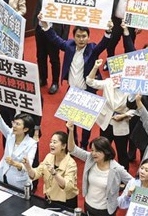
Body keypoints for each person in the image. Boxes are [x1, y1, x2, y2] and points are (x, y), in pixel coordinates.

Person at [40, 17, 113, 149]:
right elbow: (55, 39)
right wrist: (46, 26)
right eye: (78, 36)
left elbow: (103, 45)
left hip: (88, 91)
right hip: (72, 91)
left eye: (84, 36)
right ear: (74, 37)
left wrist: (108, 32)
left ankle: (84, 145)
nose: (81, 39)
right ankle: (71, 143)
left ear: (88, 37)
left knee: (86, 123)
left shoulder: (92, 49)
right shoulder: (69, 46)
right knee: (69, 122)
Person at [68, 127, 132, 216]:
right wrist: (71, 130)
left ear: (106, 152)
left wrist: (126, 195)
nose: (93, 154)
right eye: (92, 150)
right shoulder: (90, 159)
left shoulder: (116, 168)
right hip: (88, 206)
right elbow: (72, 149)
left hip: (106, 211)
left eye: (97, 151)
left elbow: (133, 182)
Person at [21, 0, 61, 94]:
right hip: (39, 29)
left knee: (54, 58)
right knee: (40, 55)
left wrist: (63, 36)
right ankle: (43, 78)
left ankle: (55, 82)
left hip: (53, 31)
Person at [86, 57, 132, 169]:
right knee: (103, 150)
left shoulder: (132, 87)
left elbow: (137, 109)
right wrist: (96, 67)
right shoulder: (108, 83)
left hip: (122, 124)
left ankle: (123, 177)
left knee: (122, 153)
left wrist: (124, 115)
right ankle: (102, 170)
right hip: (106, 122)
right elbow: (89, 81)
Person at [24, 131, 78, 206]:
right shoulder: (49, 157)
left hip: (65, 202)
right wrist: (28, 167)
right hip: (49, 198)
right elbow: (36, 174)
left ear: (64, 146)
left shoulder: (71, 163)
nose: (51, 144)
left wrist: (54, 173)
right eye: (51, 142)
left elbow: (67, 186)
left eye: (54, 142)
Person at [0, 102, 37, 190]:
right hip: (3, 175)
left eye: (18, 124)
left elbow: (28, 166)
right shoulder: (10, 134)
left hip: (19, 182)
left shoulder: (32, 144)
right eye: (14, 123)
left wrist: (15, 164)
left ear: (26, 129)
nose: (14, 126)